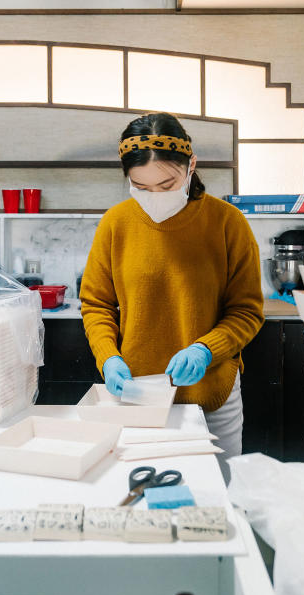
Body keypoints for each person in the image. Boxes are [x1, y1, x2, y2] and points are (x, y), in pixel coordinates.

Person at [80, 112, 264, 476]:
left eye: (166, 185)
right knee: (144, 497)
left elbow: (247, 311)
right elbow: (97, 304)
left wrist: (205, 348)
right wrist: (108, 357)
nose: (155, 197)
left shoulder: (228, 223)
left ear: (191, 166)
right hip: (136, 398)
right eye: (141, 187)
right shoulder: (116, 223)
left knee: (216, 498)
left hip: (211, 396)